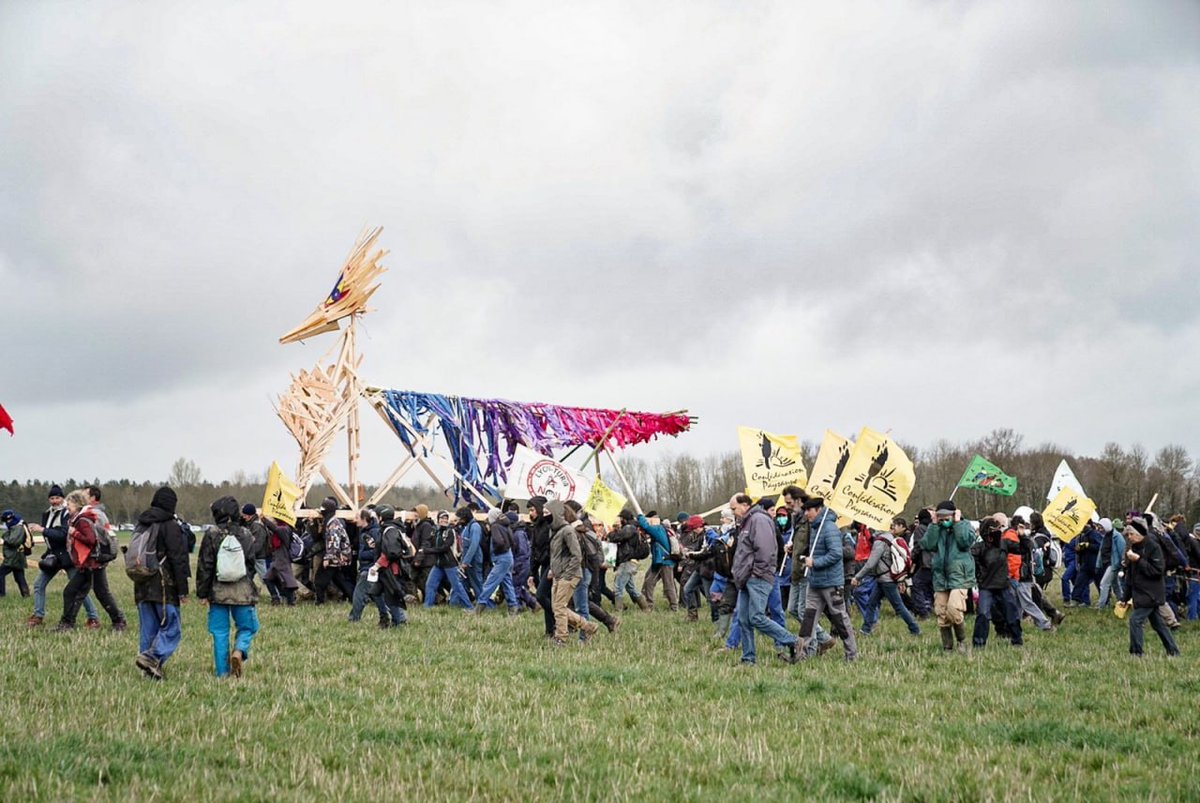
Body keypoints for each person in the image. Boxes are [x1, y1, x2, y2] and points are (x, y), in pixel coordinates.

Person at [729, 494, 799, 665]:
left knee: (756, 617)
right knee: (744, 619)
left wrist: (757, 572)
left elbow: (766, 550)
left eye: (734, 509)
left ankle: (793, 641)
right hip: (746, 578)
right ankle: (748, 659)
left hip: (757, 577)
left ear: (745, 505)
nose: (733, 513)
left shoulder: (758, 520)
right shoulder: (746, 521)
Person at [195, 496, 260, 677]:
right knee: (248, 628)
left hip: (218, 593)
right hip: (243, 592)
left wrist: (202, 593)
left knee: (220, 632)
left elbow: (205, 565)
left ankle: (222, 673)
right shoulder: (246, 534)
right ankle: (239, 650)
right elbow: (251, 563)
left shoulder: (212, 534)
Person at [132, 487, 191, 680]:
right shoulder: (170, 524)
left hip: (141, 582)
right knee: (171, 628)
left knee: (148, 629)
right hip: (164, 585)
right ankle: (152, 657)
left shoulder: (142, 522)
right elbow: (177, 558)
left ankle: (148, 672)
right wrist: (183, 589)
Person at [55, 489, 126, 632]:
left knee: (91, 593)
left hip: (92, 564)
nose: (67, 506)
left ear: (76, 504)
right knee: (76, 592)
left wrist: (74, 532)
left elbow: (91, 540)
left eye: (68, 504)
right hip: (89, 564)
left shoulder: (82, 521)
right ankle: (68, 623)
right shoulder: (81, 518)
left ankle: (118, 620)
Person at [28, 485, 99, 627]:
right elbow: (49, 535)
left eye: (57, 498)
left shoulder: (67, 513)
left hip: (67, 557)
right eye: (52, 498)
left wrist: (43, 529)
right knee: (38, 585)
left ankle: (93, 617)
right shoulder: (46, 514)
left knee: (78, 588)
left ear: (62, 498)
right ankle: (38, 615)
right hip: (52, 557)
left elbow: (62, 534)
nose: (54, 501)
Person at [798, 498, 857, 661]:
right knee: (808, 619)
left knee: (839, 619)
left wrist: (815, 562)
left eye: (808, 510)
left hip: (831, 583)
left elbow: (836, 554)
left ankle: (851, 654)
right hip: (815, 582)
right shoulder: (816, 527)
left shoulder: (829, 528)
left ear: (817, 510)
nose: (805, 514)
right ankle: (801, 654)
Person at [920, 500, 974, 652]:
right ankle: (947, 647)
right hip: (940, 577)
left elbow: (965, 542)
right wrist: (934, 526)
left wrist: (957, 524)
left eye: (947, 518)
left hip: (960, 576)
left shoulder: (964, 526)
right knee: (942, 614)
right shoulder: (937, 529)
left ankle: (962, 641)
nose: (944, 521)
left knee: (954, 610)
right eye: (941, 518)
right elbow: (928, 544)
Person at [1121, 517, 1179, 657]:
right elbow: (1130, 576)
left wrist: (1139, 560)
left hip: (1151, 593)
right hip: (1139, 593)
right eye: (1127, 535)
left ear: (1140, 533)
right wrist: (1125, 597)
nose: (1129, 537)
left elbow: (1157, 571)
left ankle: (1136, 653)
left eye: (1131, 534)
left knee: (1135, 620)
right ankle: (1173, 651)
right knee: (1158, 624)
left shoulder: (1153, 547)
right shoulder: (1132, 549)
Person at [852, 517, 921, 636]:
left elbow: (871, 563)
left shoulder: (880, 541)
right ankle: (866, 630)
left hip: (886, 580)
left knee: (899, 607)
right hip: (883, 579)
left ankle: (915, 629)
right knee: (871, 603)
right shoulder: (888, 538)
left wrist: (857, 577)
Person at [547, 502, 599, 646]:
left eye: (547, 512)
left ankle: (561, 638)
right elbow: (557, 555)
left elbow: (576, 555)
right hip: (559, 574)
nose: (545, 515)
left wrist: (567, 574)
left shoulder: (567, 530)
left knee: (559, 607)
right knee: (557, 607)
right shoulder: (554, 530)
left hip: (569, 574)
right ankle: (588, 626)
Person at [970, 517, 1022, 648]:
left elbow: (1022, 548)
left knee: (1011, 611)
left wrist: (1023, 536)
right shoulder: (979, 548)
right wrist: (979, 577)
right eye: (993, 529)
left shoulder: (1004, 544)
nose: (997, 532)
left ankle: (1017, 640)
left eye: (998, 529)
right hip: (986, 586)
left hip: (1003, 585)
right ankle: (979, 644)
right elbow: (972, 562)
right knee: (983, 614)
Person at [1001, 514, 1054, 633]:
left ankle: (1045, 625)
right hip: (1021, 576)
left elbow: (1020, 555)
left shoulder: (1021, 540)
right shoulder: (1016, 538)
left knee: (1026, 603)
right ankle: (1013, 628)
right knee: (1018, 604)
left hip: (1022, 577)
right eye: (1022, 527)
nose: (1024, 529)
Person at [423, 510, 472, 609]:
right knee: (430, 584)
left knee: (457, 587)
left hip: (450, 564)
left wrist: (428, 550)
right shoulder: (435, 531)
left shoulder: (450, 532)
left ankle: (469, 607)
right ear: (438, 519)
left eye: (446, 518)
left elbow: (444, 548)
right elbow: (429, 542)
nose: (444, 520)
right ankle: (427, 607)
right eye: (442, 518)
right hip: (438, 564)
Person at [475, 507, 518, 614]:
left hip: (501, 558)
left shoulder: (495, 526)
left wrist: (496, 552)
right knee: (507, 583)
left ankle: (479, 608)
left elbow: (499, 542)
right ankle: (513, 608)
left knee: (490, 583)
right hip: (509, 556)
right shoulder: (506, 525)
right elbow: (512, 542)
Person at [349, 508, 389, 623]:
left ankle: (354, 618)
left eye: (357, 518)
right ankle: (385, 615)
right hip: (369, 568)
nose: (354, 520)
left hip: (369, 568)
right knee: (376, 594)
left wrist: (362, 555)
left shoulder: (372, 533)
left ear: (364, 519)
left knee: (359, 593)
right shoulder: (365, 531)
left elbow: (376, 552)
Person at [314, 498, 355, 605]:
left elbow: (333, 543)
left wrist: (328, 558)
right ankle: (352, 597)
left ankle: (319, 602)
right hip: (341, 556)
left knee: (319, 580)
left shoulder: (333, 525)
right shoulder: (332, 522)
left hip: (336, 557)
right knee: (339, 579)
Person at [608, 509, 648, 611]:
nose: (620, 520)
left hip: (627, 561)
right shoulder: (634, 527)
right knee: (631, 588)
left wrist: (611, 532)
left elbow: (617, 537)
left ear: (624, 519)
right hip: (631, 561)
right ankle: (645, 608)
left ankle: (618, 610)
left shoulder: (629, 528)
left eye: (621, 518)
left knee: (618, 587)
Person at [638, 511, 678, 611]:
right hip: (658, 561)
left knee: (668, 585)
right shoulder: (660, 529)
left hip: (665, 562)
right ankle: (649, 605)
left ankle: (674, 606)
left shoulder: (658, 529)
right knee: (649, 582)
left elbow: (646, 527)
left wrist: (640, 517)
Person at [263, 518, 299, 605]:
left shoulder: (285, 529)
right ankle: (278, 597)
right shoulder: (282, 528)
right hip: (277, 559)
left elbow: (276, 529)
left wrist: (265, 521)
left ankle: (290, 601)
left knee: (287, 582)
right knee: (269, 579)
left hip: (282, 559)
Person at [241, 504, 274, 594]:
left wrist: (247, 554)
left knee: (265, 578)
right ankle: (254, 592)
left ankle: (276, 596)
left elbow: (258, 545)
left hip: (258, 557)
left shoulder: (257, 527)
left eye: (244, 515)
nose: (243, 517)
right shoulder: (252, 524)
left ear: (250, 515)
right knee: (247, 576)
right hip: (254, 556)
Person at [1095, 518, 1126, 609]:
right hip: (1106, 564)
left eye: (1101, 527)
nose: (1099, 529)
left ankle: (1101, 606)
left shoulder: (1117, 537)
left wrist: (1122, 565)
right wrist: (1098, 564)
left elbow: (1122, 551)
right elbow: (1101, 551)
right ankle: (1123, 601)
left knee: (1104, 583)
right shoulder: (1105, 537)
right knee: (1115, 585)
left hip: (1113, 565)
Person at [1, 509, 31, 597]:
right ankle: (26, 595)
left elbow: (13, 541)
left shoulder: (17, 527)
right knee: (19, 577)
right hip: (18, 556)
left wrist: (4, 535)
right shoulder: (19, 526)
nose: (7, 522)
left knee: (0, 574)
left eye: (7, 520)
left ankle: (1, 594)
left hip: (13, 557)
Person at [457, 507, 485, 603]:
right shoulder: (467, 527)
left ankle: (484, 604)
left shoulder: (475, 527)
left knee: (477, 584)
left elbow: (474, 545)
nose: (459, 520)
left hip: (474, 561)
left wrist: (466, 562)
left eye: (460, 518)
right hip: (468, 561)